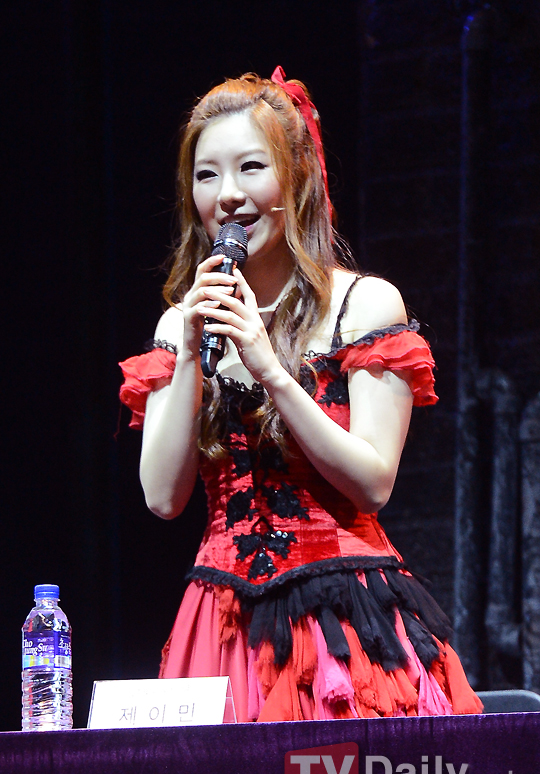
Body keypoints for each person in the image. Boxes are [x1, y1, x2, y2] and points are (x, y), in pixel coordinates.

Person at [119, 67, 482, 722]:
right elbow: (162, 497)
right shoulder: (181, 325)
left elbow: (372, 483)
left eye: (251, 168)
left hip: (342, 619)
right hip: (221, 621)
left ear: (297, 179)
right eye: (207, 175)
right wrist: (189, 353)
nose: (228, 195)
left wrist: (271, 369)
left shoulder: (363, 305)